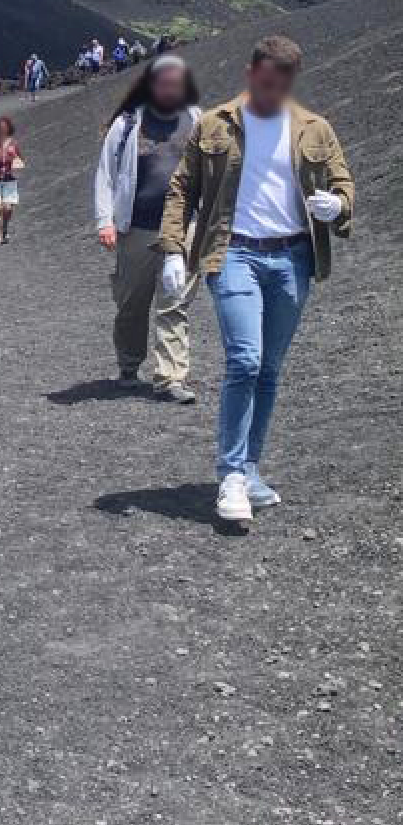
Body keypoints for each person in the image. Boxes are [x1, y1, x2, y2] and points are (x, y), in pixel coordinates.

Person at [156, 35, 354, 525]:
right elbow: (182, 188)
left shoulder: (314, 129)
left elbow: (343, 183)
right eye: (266, 83)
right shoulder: (215, 124)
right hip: (234, 253)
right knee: (244, 360)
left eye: (282, 85)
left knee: (268, 369)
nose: (272, 93)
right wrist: (173, 249)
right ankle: (230, 476)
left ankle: (248, 469)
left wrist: (338, 206)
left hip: (292, 259)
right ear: (251, 74)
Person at [94, 55, 203, 403]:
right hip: (135, 228)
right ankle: (129, 364)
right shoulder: (127, 124)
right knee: (132, 304)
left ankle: (170, 377)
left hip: (184, 227)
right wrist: (105, 221)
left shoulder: (198, 119)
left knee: (174, 302)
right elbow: (105, 174)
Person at [0, 116, 23, 246]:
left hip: (9, 179)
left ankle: (5, 228)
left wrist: (14, 156)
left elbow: (21, 162)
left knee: (7, 208)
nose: (2, 130)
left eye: (4, 128)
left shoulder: (14, 144)